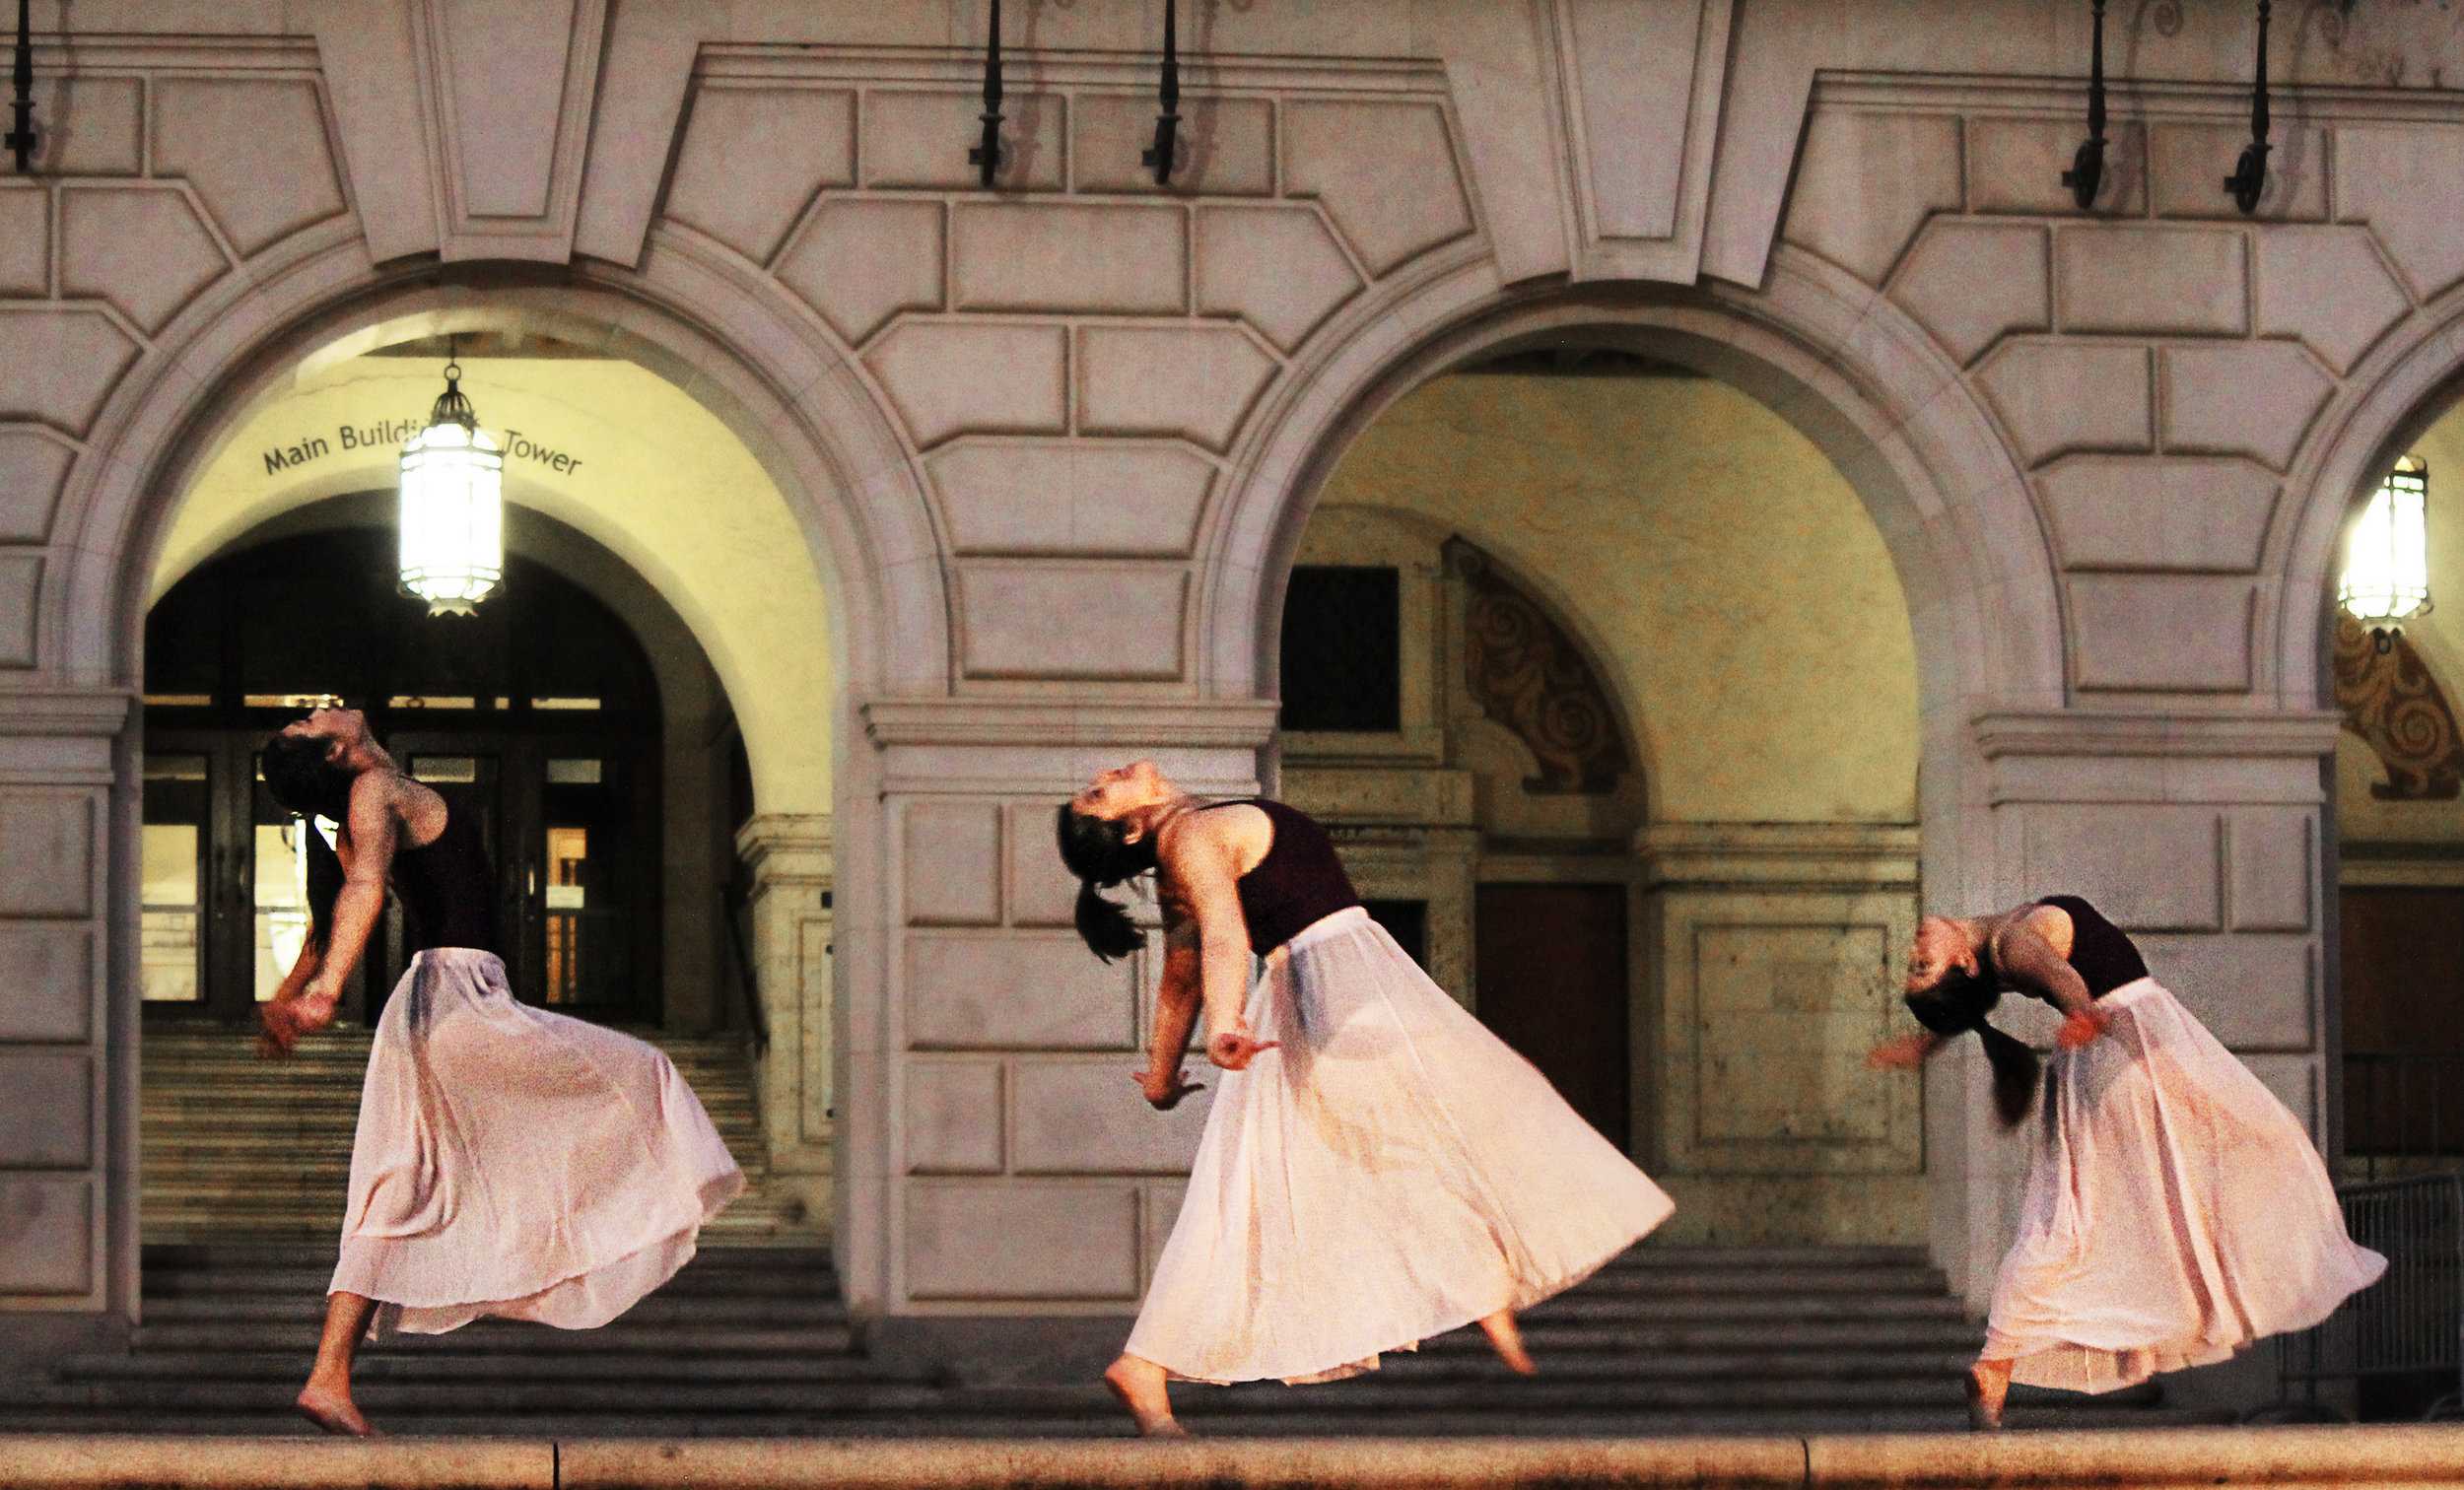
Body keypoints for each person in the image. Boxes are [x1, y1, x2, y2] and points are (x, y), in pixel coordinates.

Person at [1057, 761, 1675, 1436]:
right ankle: (1476, 1278)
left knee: (1350, 1159)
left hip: (1339, 987)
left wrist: (1161, 1078)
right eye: (1098, 793)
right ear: (1133, 824)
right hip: (1338, 990)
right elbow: (1224, 941)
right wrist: (1228, 1025)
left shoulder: (1186, 850)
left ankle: (1149, 1364)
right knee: (1458, 1113)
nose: (1105, 773)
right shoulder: (1194, 838)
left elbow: (1179, 981)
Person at [255, 706, 743, 1436]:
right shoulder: (374, 788)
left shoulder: (364, 803)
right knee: (644, 1070)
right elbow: (361, 895)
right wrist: (323, 992)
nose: (317, 709)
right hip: (457, 997)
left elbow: (339, 909)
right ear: (335, 752)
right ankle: (595, 1227)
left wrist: (297, 990)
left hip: (433, 1006)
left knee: (398, 1187)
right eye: (308, 721)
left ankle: (329, 1376)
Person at [1868, 895, 2385, 1429]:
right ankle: (2243, 1279)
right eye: (1922, 964)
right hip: (2127, 1041)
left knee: (2065, 1222)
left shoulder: (1990, 957)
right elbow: (2060, 977)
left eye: (1913, 963)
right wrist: (2081, 1013)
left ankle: (1996, 1363)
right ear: (1965, 963)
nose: (1916, 946)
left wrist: (1925, 1043)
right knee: (2264, 1141)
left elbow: (1971, 1005)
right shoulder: (2013, 944)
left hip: (2097, 1057)